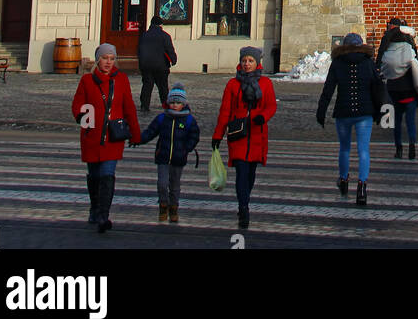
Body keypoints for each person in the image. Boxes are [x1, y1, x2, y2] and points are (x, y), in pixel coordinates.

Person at [71, 42, 141, 234]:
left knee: (107, 174)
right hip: (92, 137)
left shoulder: (121, 80)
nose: (108, 62)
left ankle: (103, 215)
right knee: (94, 175)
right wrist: (83, 118)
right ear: (98, 59)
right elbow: (77, 104)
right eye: (105, 58)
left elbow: (129, 107)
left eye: (112, 59)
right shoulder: (87, 80)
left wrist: (135, 133)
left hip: (113, 137)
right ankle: (94, 208)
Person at [212, 46, 277, 230]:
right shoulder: (232, 85)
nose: (246, 64)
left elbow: (271, 106)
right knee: (241, 171)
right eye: (244, 61)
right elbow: (225, 111)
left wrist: (262, 117)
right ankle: (244, 207)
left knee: (251, 174)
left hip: (257, 134)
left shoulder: (265, 84)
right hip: (238, 134)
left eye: (250, 61)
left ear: (257, 63)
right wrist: (218, 134)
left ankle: (244, 200)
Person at [316, 32, 385, 205]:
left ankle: (344, 179)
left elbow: (328, 89)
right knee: (363, 151)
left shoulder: (338, 63)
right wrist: (382, 110)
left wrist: (321, 111)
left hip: (344, 111)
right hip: (364, 112)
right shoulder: (368, 62)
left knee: (344, 149)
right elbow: (378, 88)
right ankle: (362, 187)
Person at [140, 82, 200, 222]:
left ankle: (174, 207)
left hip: (179, 158)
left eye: (177, 102)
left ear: (183, 104)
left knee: (174, 185)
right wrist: (138, 139)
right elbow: (150, 132)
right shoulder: (162, 118)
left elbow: (194, 135)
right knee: (162, 183)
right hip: (163, 156)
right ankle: (163, 205)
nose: (174, 105)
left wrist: (187, 148)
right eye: (172, 102)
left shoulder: (189, 120)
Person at [380, 25, 418, 158]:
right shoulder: (409, 52)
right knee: (411, 122)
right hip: (409, 92)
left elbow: (384, 71)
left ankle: (398, 148)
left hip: (394, 92)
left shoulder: (388, 53)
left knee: (396, 122)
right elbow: (416, 69)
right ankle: (412, 146)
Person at [137, 15, 177, 112]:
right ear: (160, 25)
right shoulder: (165, 36)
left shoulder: (144, 35)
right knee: (163, 87)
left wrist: (141, 62)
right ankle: (166, 105)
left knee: (147, 86)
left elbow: (139, 50)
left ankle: (144, 105)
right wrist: (173, 60)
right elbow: (169, 49)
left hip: (146, 65)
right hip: (161, 66)